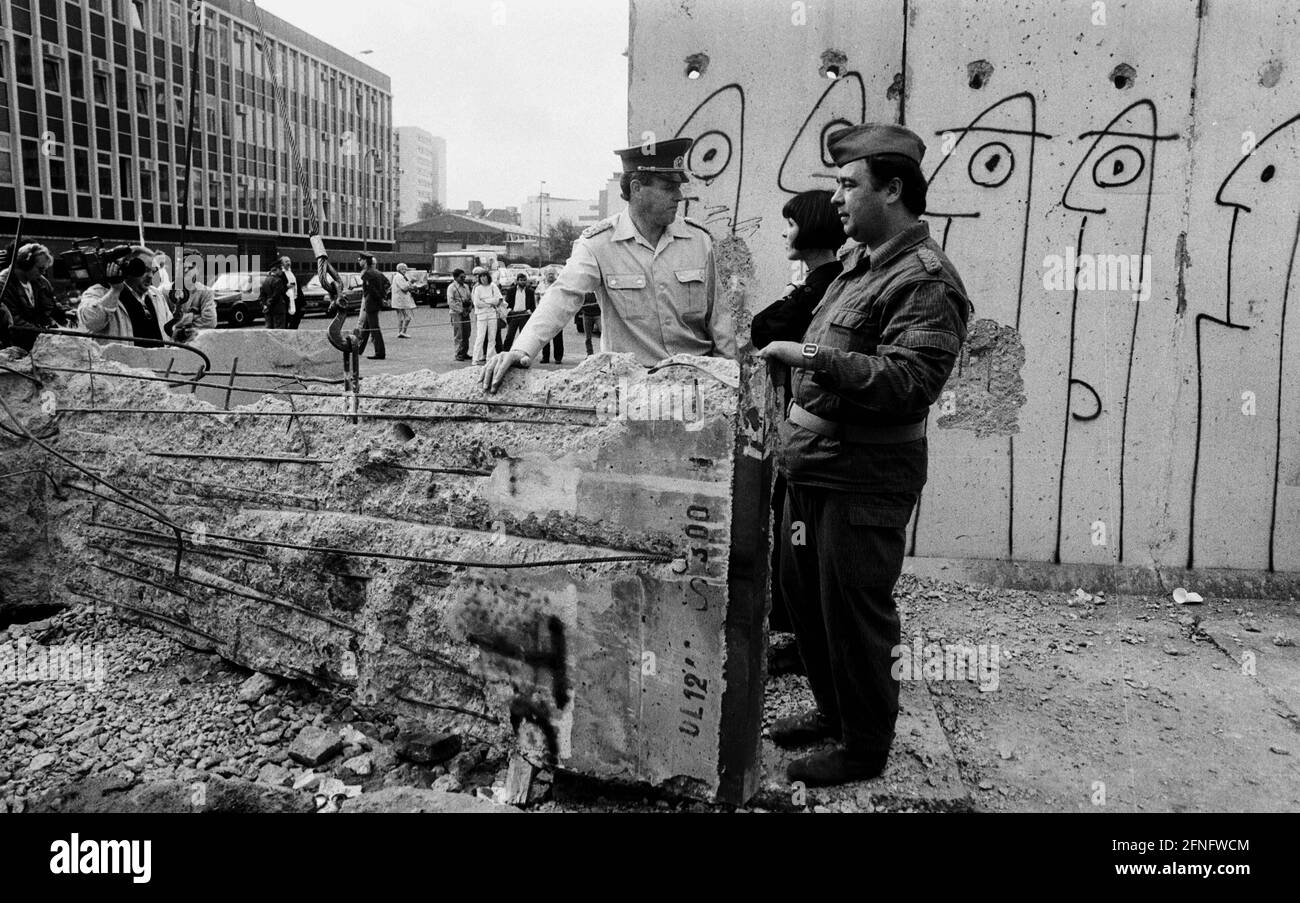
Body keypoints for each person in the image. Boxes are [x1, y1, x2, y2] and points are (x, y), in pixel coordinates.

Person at [756, 124, 972, 787]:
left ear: (894, 188)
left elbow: (910, 382)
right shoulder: (859, 263)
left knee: (853, 612)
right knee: (808, 603)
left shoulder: (926, 280)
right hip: (811, 463)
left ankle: (865, 746)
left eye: (850, 185)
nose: (839, 199)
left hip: (862, 477)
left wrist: (811, 357)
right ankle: (834, 712)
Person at [482, 137, 736, 392]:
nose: (679, 196)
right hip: (634, 390)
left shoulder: (698, 241)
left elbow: (720, 320)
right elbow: (563, 296)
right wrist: (521, 349)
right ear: (637, 188)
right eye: (669, 187)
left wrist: (728, 379)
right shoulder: (599, 244)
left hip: (697, 386)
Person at [750, 189, 846, 647]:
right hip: (802, 425)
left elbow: (765, 329)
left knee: (796, 544)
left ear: (811, 227)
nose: (785, 231)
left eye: (791, 223)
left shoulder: (826, 282)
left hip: (813, 430)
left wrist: (793, 294)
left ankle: (798, 637)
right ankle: (797, 634)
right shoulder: (821, 280)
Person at [77, 246, 174, 347]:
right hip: (119, 362)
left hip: (160, 361)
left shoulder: (157, 295)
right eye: (144, 270)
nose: (150, 276)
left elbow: (169, 331)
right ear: (128, 268)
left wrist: (181, 332)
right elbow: (91, 322)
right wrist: (115, 291)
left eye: (153, 271)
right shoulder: (99, 291)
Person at [0, 243, 58, 352]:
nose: (43, 273)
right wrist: (43, 335)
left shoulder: (39, 282)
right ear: (25, 264)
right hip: (11, 345)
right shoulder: (4, 284)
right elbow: (13, 321)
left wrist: (64, 312)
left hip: (34, 341)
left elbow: (50, 306)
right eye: (40, 269)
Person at [165, 257, 218, 344]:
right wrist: (193, 317)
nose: (186, 271)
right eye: (183, 267)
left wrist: (177, 321)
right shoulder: (165, 291)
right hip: (170, 343)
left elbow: (210, 322)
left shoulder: (206, 292)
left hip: (197, 343)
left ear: (197, 270)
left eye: (190, 268)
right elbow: (163, 320)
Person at [356, 253, 389, 359]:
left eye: (360, 260)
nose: (359, 261)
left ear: (365, 261)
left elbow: (371, 290)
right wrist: (383, 296)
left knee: (374, 329)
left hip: (371, 304)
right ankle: (358, 350)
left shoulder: (367, 274)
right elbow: (387, 283)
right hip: (373, 304)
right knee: (366, 328)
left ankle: (380, 353)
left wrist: (379, 298)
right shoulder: (378, 272)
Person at [469, 266, 503, 365]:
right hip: (481, 315)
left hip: (492, 314)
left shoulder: (493, 286)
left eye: (485, 276)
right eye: (481, 277)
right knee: (480, 336)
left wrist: (486, 301)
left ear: (488, 277)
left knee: (492, 337)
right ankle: (475, 358)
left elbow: (498, 300)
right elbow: (477, 303)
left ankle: (489, 358)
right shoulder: (477, 288)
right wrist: (490, 303)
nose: (483, 279)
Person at [534, 266, 564, 364]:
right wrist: (537, 307)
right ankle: (545, 357)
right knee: (545, 336)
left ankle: (558, 358)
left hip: (556, 314)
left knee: (557, 337)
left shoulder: (559, 284)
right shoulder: (541, 285)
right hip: (544, 313)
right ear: (545, 275)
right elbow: (537, 296)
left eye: (552, 273)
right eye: (548, 274)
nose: (550, 275)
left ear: (555, 275)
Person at [502, 272, 535, 350]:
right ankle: (505, 352)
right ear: (517, 281)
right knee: (509, 336)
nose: (523, 282)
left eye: (524, 280)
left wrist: (529, 312)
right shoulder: (511, 290)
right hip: (513, 315)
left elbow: (533, 306)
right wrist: (510, 311)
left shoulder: (530, 291)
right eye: (521, 280)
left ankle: (523, 352)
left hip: (524, 315)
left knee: (524, 336)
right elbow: (506, 304)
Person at [447, 268, 472, 361]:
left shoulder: (466, 286)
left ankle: (464, 352)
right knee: (459, 334)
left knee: (467, 333)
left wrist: (469, 308)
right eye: (461, 277)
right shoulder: (451, 287)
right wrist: (460, 310)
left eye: (464, 277)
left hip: (466, 312)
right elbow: (450, 302)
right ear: (455, 277)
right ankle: (458, 353)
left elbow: (470, 299)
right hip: (456, 313)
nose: (463, 278)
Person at [259, 261, 291, 329]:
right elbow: (276, 295)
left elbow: (262, 295)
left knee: (269, 328)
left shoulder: (265, 280)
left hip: (268, 310)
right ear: (277, 270)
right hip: (278, 309)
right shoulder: (278, 280)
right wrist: (268, 304)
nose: (282, 271)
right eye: (280, 269)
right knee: (279, 329)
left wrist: (265, 305)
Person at [391, 262, 417, 338]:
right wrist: (411, 282)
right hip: (401, 301)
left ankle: (400, 332)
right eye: (403, 269)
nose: (404, 270)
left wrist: (410, 285)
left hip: (398, 300)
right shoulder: (399, 277)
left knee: (400, 317)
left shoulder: (398, 276)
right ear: (399, 269)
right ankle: (403, 332)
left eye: (405, 269)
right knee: (408, 317)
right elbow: (404, 288)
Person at [280, 256, 303, 329]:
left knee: (296, 318)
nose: (288, 263)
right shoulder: (281, 274)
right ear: (282, 263)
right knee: (287, 319)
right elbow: (279, 288)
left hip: (295, 298)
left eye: (289, 261)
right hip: (287, 300)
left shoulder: (292, 272)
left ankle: (293, 331)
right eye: (286, 261)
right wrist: (286, 286)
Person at [580, 290, 601, 356]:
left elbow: (600, 303)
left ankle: (603, 351)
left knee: (603, 334)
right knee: (587, 337)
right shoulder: (584, 293)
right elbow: (580, 304)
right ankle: (589, 354)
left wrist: (587, 305)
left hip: (597, 315)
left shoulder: (598, 293)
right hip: (587, 315)